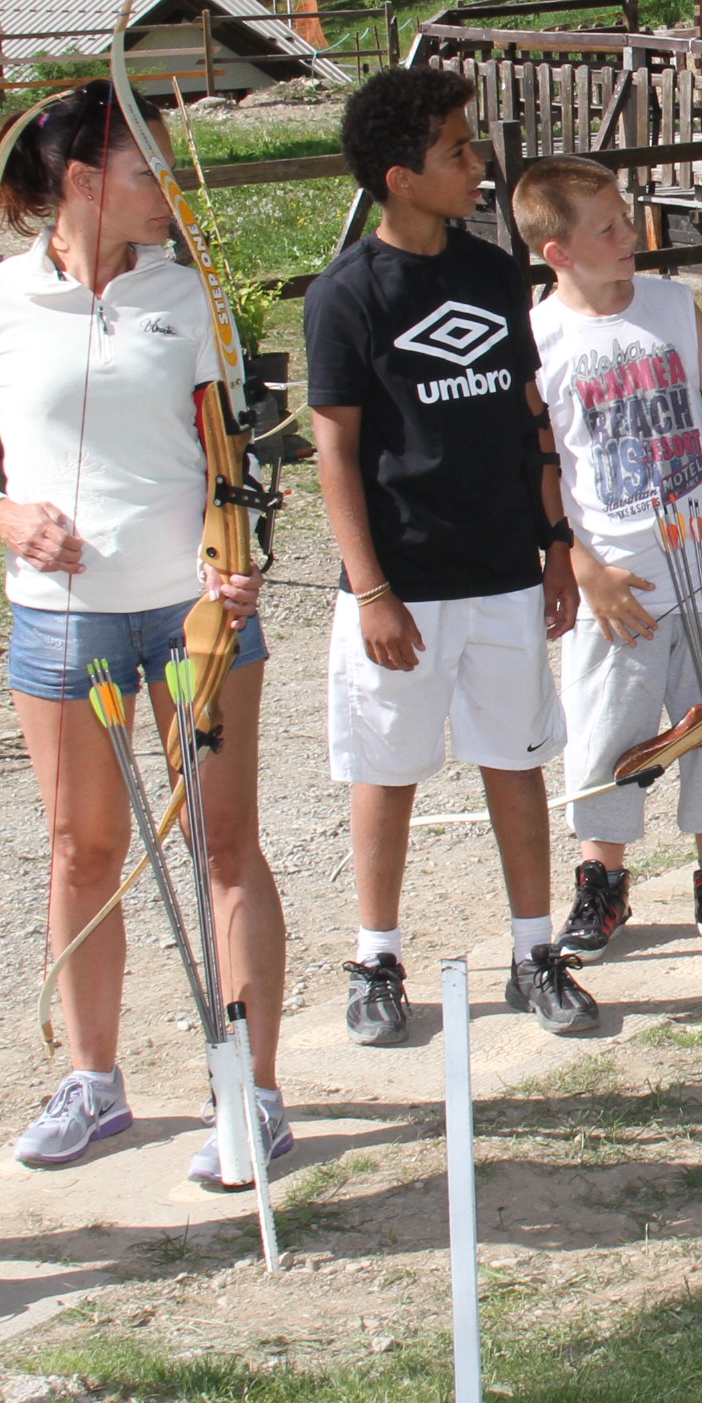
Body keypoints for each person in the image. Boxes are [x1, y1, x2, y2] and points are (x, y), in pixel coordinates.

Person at [0, 80, 283, 1186]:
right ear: (82, 181)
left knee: (222, 844)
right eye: (146, 171)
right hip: (58, 621)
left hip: (193, 616)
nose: (165, 191)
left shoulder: (193, 294)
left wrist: (237, 553)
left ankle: (253, 1092)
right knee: (82, 849)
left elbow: (237, 453)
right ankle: (93, 1081)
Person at [306, 68, 592, 1039]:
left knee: (516, 761)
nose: (479, 167)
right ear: (399, 177)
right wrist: (374, 590)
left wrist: (555, 546)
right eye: (457, 153)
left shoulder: (491, 271)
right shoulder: (346, 296)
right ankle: (376, 960)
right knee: (385, 770)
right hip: (402, 582)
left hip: (505, 567)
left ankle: (533, 950)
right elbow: (336, 453)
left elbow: (527, 417)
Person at [514, 156, 702, 960]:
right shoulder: (540, 336)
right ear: (558, 252)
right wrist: (580, 568)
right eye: (606, 228)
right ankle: (600, 888)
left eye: (624, 216)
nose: (629, 235)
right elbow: (540, 469)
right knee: (609, 736)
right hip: (620, 580)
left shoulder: (674, 305)